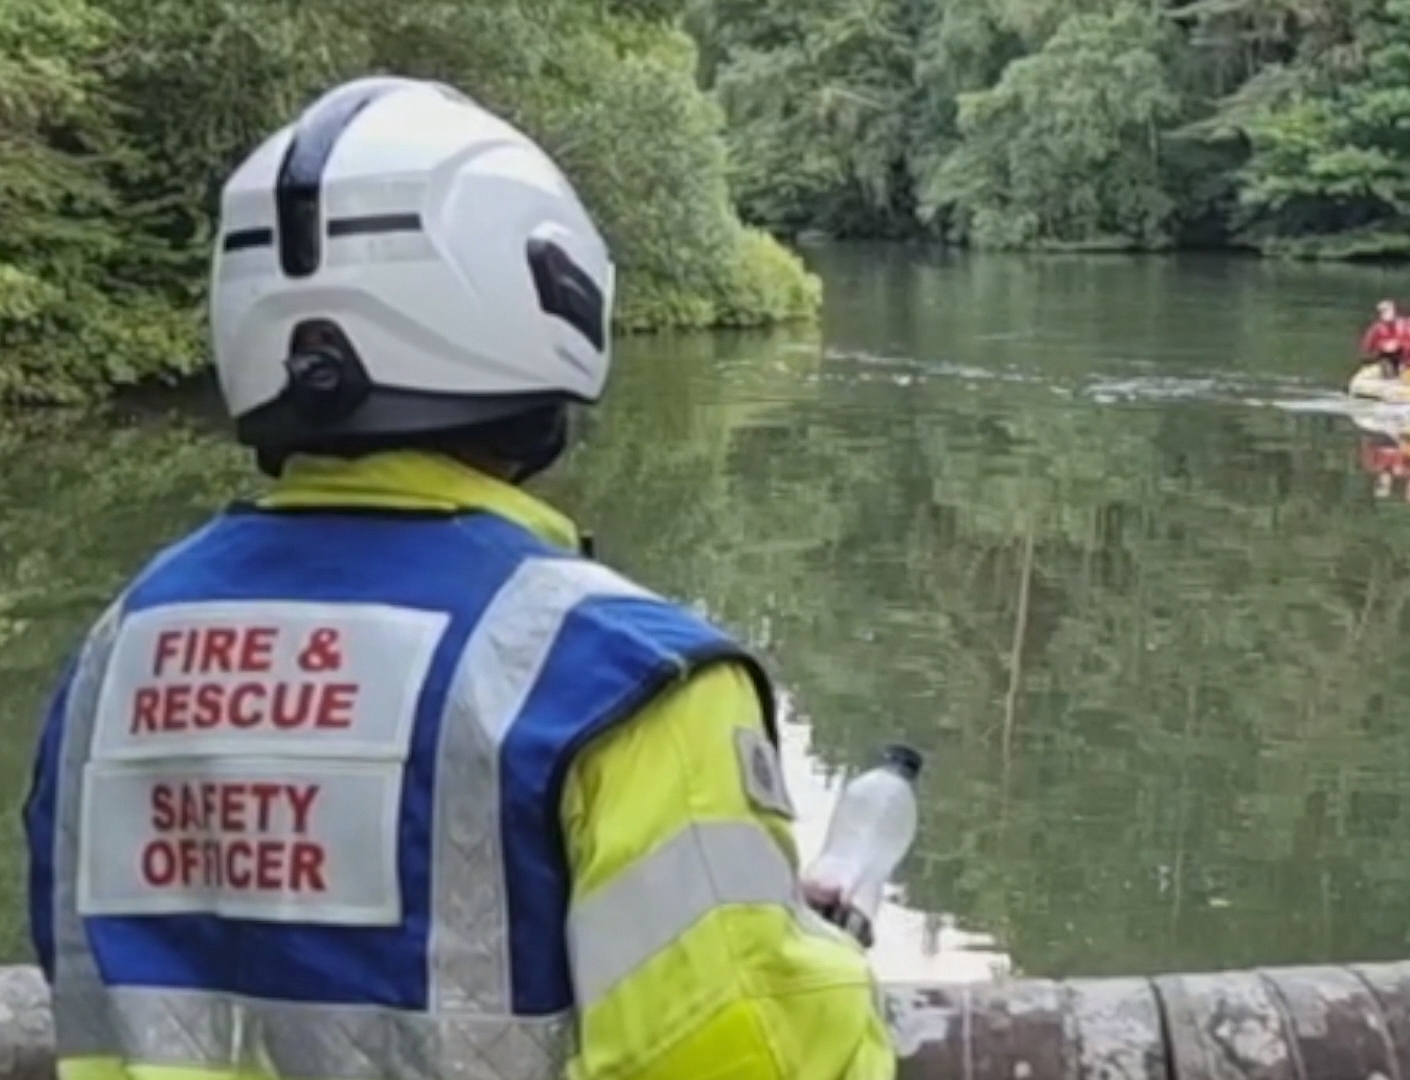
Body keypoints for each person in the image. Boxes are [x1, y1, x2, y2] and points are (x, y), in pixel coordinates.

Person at [21, 76, 895, 1080]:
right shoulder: (627, 681)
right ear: (545, 301)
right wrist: (824, 973)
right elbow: (744, 1058)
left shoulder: (117, 653)